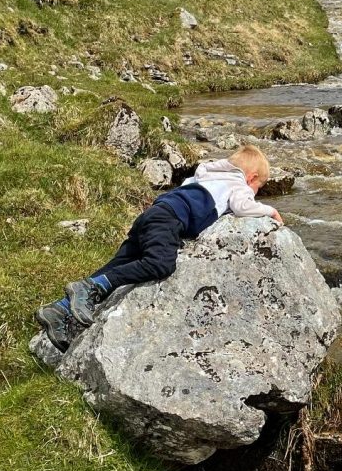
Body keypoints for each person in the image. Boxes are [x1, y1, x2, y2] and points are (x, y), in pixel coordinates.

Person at [36, 145, 282, 350]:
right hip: (169, 220)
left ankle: (60, 310)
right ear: (251, 178)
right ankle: (88, 288)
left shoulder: (206, 174)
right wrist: (270, 211)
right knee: (160, 263)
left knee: (120, 264)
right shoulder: (238, 183)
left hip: (154, 213)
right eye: (257, 189)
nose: (255, 194)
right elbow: (242, 207)